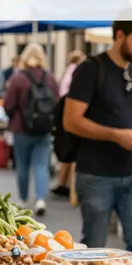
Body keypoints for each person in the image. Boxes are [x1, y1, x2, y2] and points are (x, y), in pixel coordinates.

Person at [64, 21, 132, 252]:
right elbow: (71, 120)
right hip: (96, 175)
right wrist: (115, 135)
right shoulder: (90, 69)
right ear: (120, 35)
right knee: (94, 249)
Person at [4, 43, 60, 215]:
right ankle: (40, 199)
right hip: (44, 128)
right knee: (41, 164)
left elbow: (8, 105)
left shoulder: (18, 78)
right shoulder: (49, 78)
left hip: (21, 127)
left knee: (22, 164)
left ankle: (22, 200)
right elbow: (57, 103)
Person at [53, 51, 87, 198]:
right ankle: (68, 186)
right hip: (71, 114)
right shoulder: (79, 72)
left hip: (63, 114)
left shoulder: (68, 71)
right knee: (70, 154)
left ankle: (63, 184)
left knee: (66, 156)